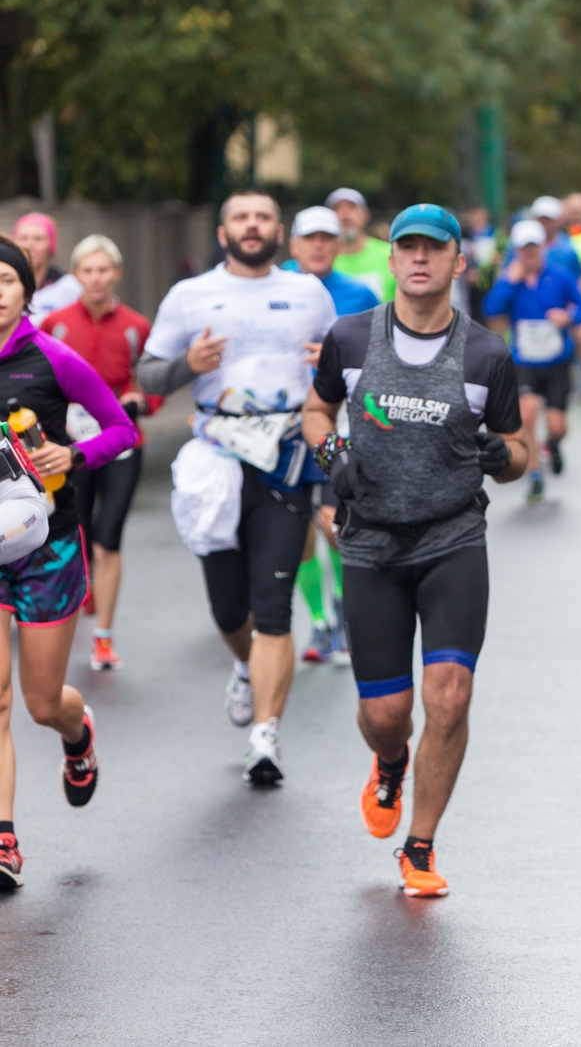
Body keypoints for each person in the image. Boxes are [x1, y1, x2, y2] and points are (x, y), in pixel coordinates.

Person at [301, 204, 527, 898]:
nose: (420, 259)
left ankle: (420, 845)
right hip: (369, 544)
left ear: (459, 261)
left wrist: (503, 457)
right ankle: (391, 760)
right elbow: (316, 411)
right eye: (408, 248)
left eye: (434, 248)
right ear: (392, 259)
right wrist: (333, 455)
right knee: (386, 715)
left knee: (449, 698)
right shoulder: (350, 337)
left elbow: (519, 449)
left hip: (452, 538)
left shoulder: (486, 354)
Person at [138, 189, 338, 785]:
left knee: (273, 606)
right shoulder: (190, 295)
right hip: (217, 462)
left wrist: (329, 365)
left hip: (285, 461)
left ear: (279, 231)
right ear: (223, 233)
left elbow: (347, 371)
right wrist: (188, 365)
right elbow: (147, 374)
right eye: (241, 218)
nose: (253, 226)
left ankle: (265, 735)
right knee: (229, 608)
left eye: (263, 217)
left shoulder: (308, 292)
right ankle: (248, 667)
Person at [0, 234, 139, 890]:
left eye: (5, 280)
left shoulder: (54, 359)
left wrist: (72, 455)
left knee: (39, 702)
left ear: (26, 290)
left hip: (47, 549)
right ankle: (4, 840)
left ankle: (77, 731)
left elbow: (122, 429)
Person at [40, 234, 162, 672]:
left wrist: (142, 402)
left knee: (109, 537)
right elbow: (38, 379)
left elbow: (154, 380)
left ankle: (104, 637)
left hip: (121, 443)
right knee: (80, 532)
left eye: (103, 270)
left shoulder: (136, 326)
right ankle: (87, 580)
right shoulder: (54, 324)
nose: (95, 278)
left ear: (116, 274)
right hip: (70, 444)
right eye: (87, 271)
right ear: (75, 275)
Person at [284, 206, 381, 663]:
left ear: (340, 245)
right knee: (298, 535)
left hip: (336, 422)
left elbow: (382, 355)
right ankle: (320, 622)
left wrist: (336, 357)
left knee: (333, 524)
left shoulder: (360, 294)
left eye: (327, 238)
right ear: (294, 245)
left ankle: (343, 605)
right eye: (310, 238)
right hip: (282, 426)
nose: (319, 246)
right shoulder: (275, 288)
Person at [482, 219, 581, 501]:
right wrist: (509, 281)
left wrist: (568, 316)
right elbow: (491, 309)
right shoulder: (510, 279)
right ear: (517, 251)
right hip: (524, 361)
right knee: (528, 413)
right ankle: (534, 474)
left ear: (542, 248)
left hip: (557, 361)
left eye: (533, 248)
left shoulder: (559, 276)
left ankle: (553, 445)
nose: (529, 254)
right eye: (524, 249)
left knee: (558, 426)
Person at [327, 188, 396, 302]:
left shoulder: (390, 254)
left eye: (351, 207)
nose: (344, 214)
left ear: (366, 214)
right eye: (337, 208)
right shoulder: (321, 261)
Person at [13, 214, 81, 316]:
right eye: (23, 238)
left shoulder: (68, 285)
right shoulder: (5, 285)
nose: (29, 245)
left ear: (51, 245)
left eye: (38, 239)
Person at [529, 196, 581, 280]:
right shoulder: (519, 244)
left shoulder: (568, 248)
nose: (544, 222)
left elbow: (577, 279)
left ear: (558, 219)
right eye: (541, 218)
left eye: (548, 219)